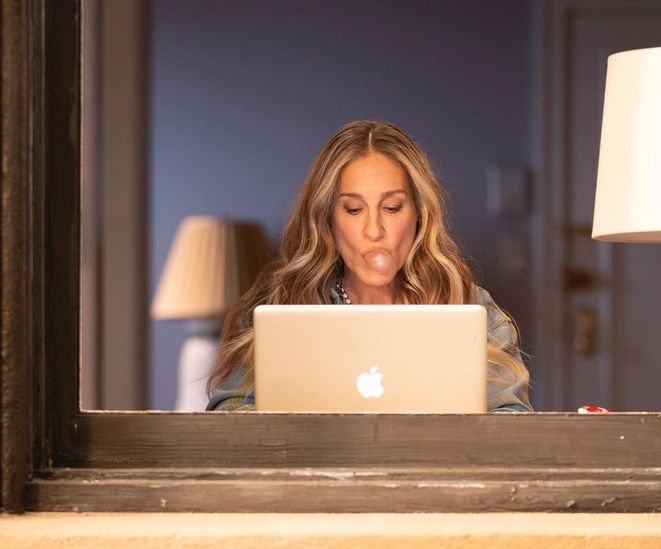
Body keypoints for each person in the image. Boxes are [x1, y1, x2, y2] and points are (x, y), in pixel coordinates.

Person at [207, 120, 532, 412]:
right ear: (327, 219)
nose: (374, 230)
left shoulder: (472, 309)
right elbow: (228, 419)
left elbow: (511, 425)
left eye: (392, 207)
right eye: (353, 209)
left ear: (418, 214)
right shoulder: (280, 308)